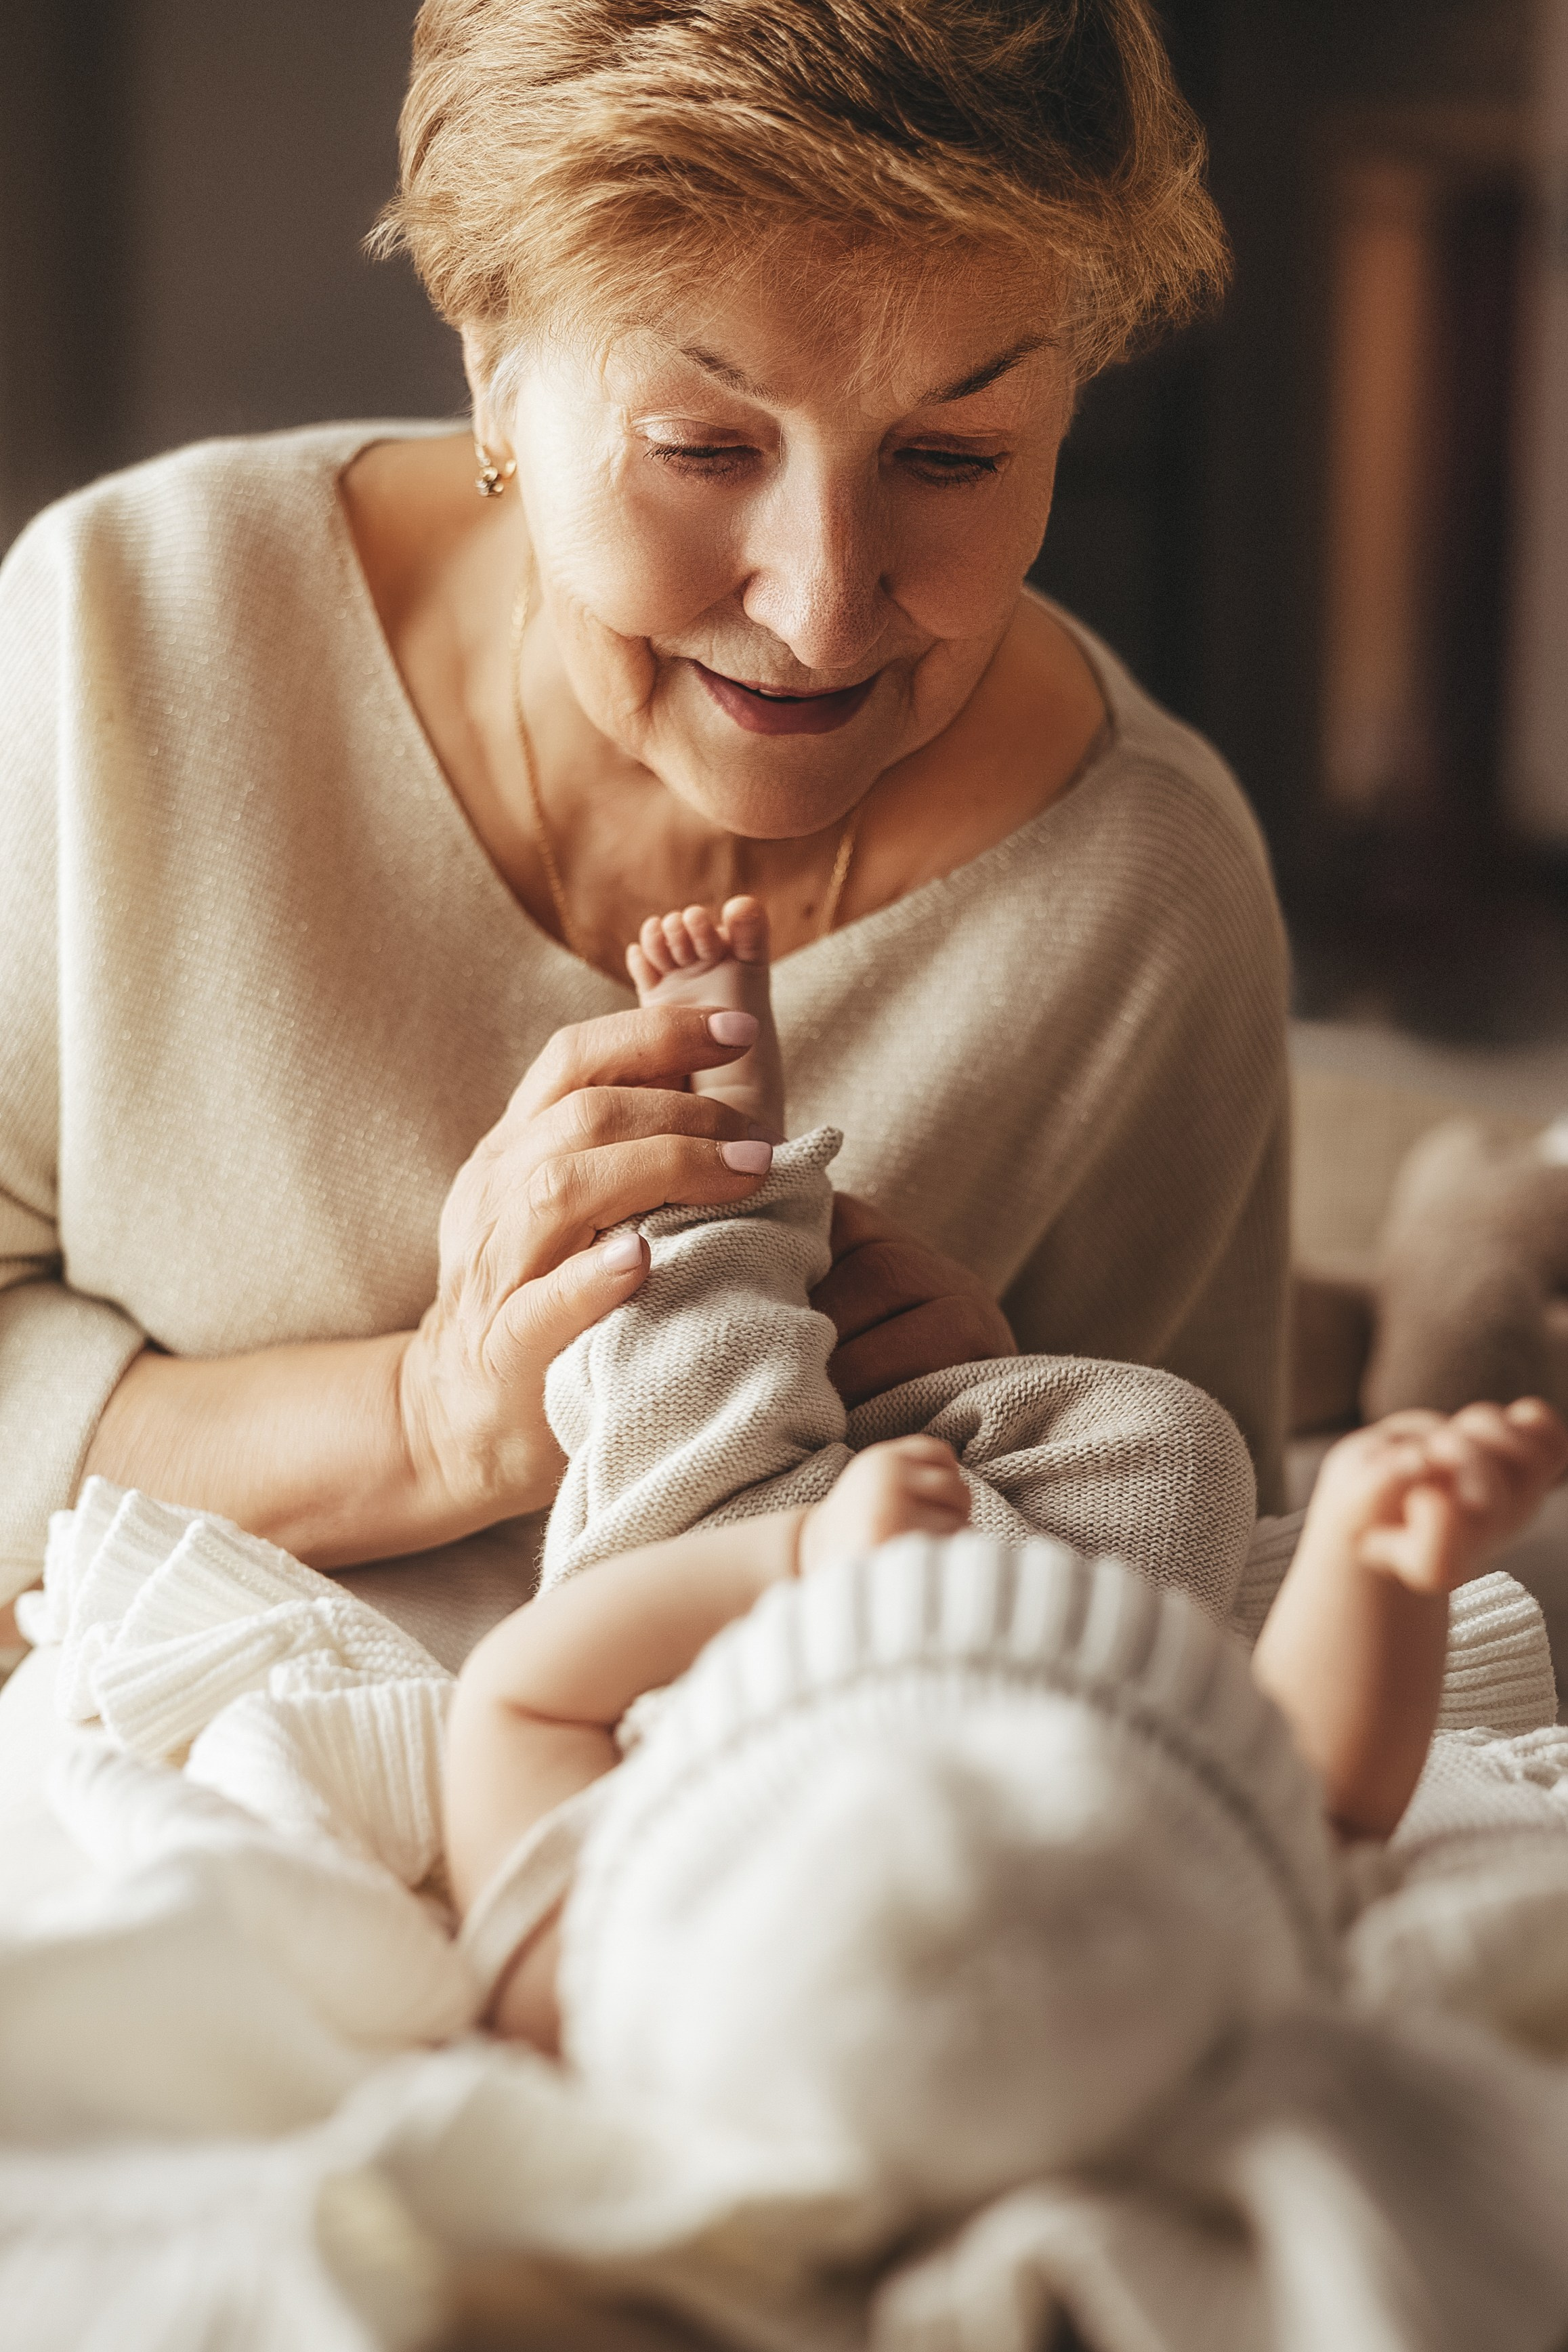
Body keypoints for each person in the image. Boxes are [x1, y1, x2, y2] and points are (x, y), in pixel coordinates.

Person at [0, 0, 1285, 1675]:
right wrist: (429, 1419)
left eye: (953, 456)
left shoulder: (1142, 889)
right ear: (494, 370)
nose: (821, 606)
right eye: (703, 447)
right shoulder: (128, 635)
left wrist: (992, 1395)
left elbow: (1199, 1616)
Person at [442, 893, 1568, 2053]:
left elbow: (519, 1695)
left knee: (685, 1405)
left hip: (719, 1615)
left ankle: (725, 1171)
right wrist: (1376, 1560)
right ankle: (928, 1402)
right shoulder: (1159, 1967)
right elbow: (1322, 1802)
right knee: (1182, 1454)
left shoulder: (620, 1990)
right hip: (1071, 1612)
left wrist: (796, 1557)